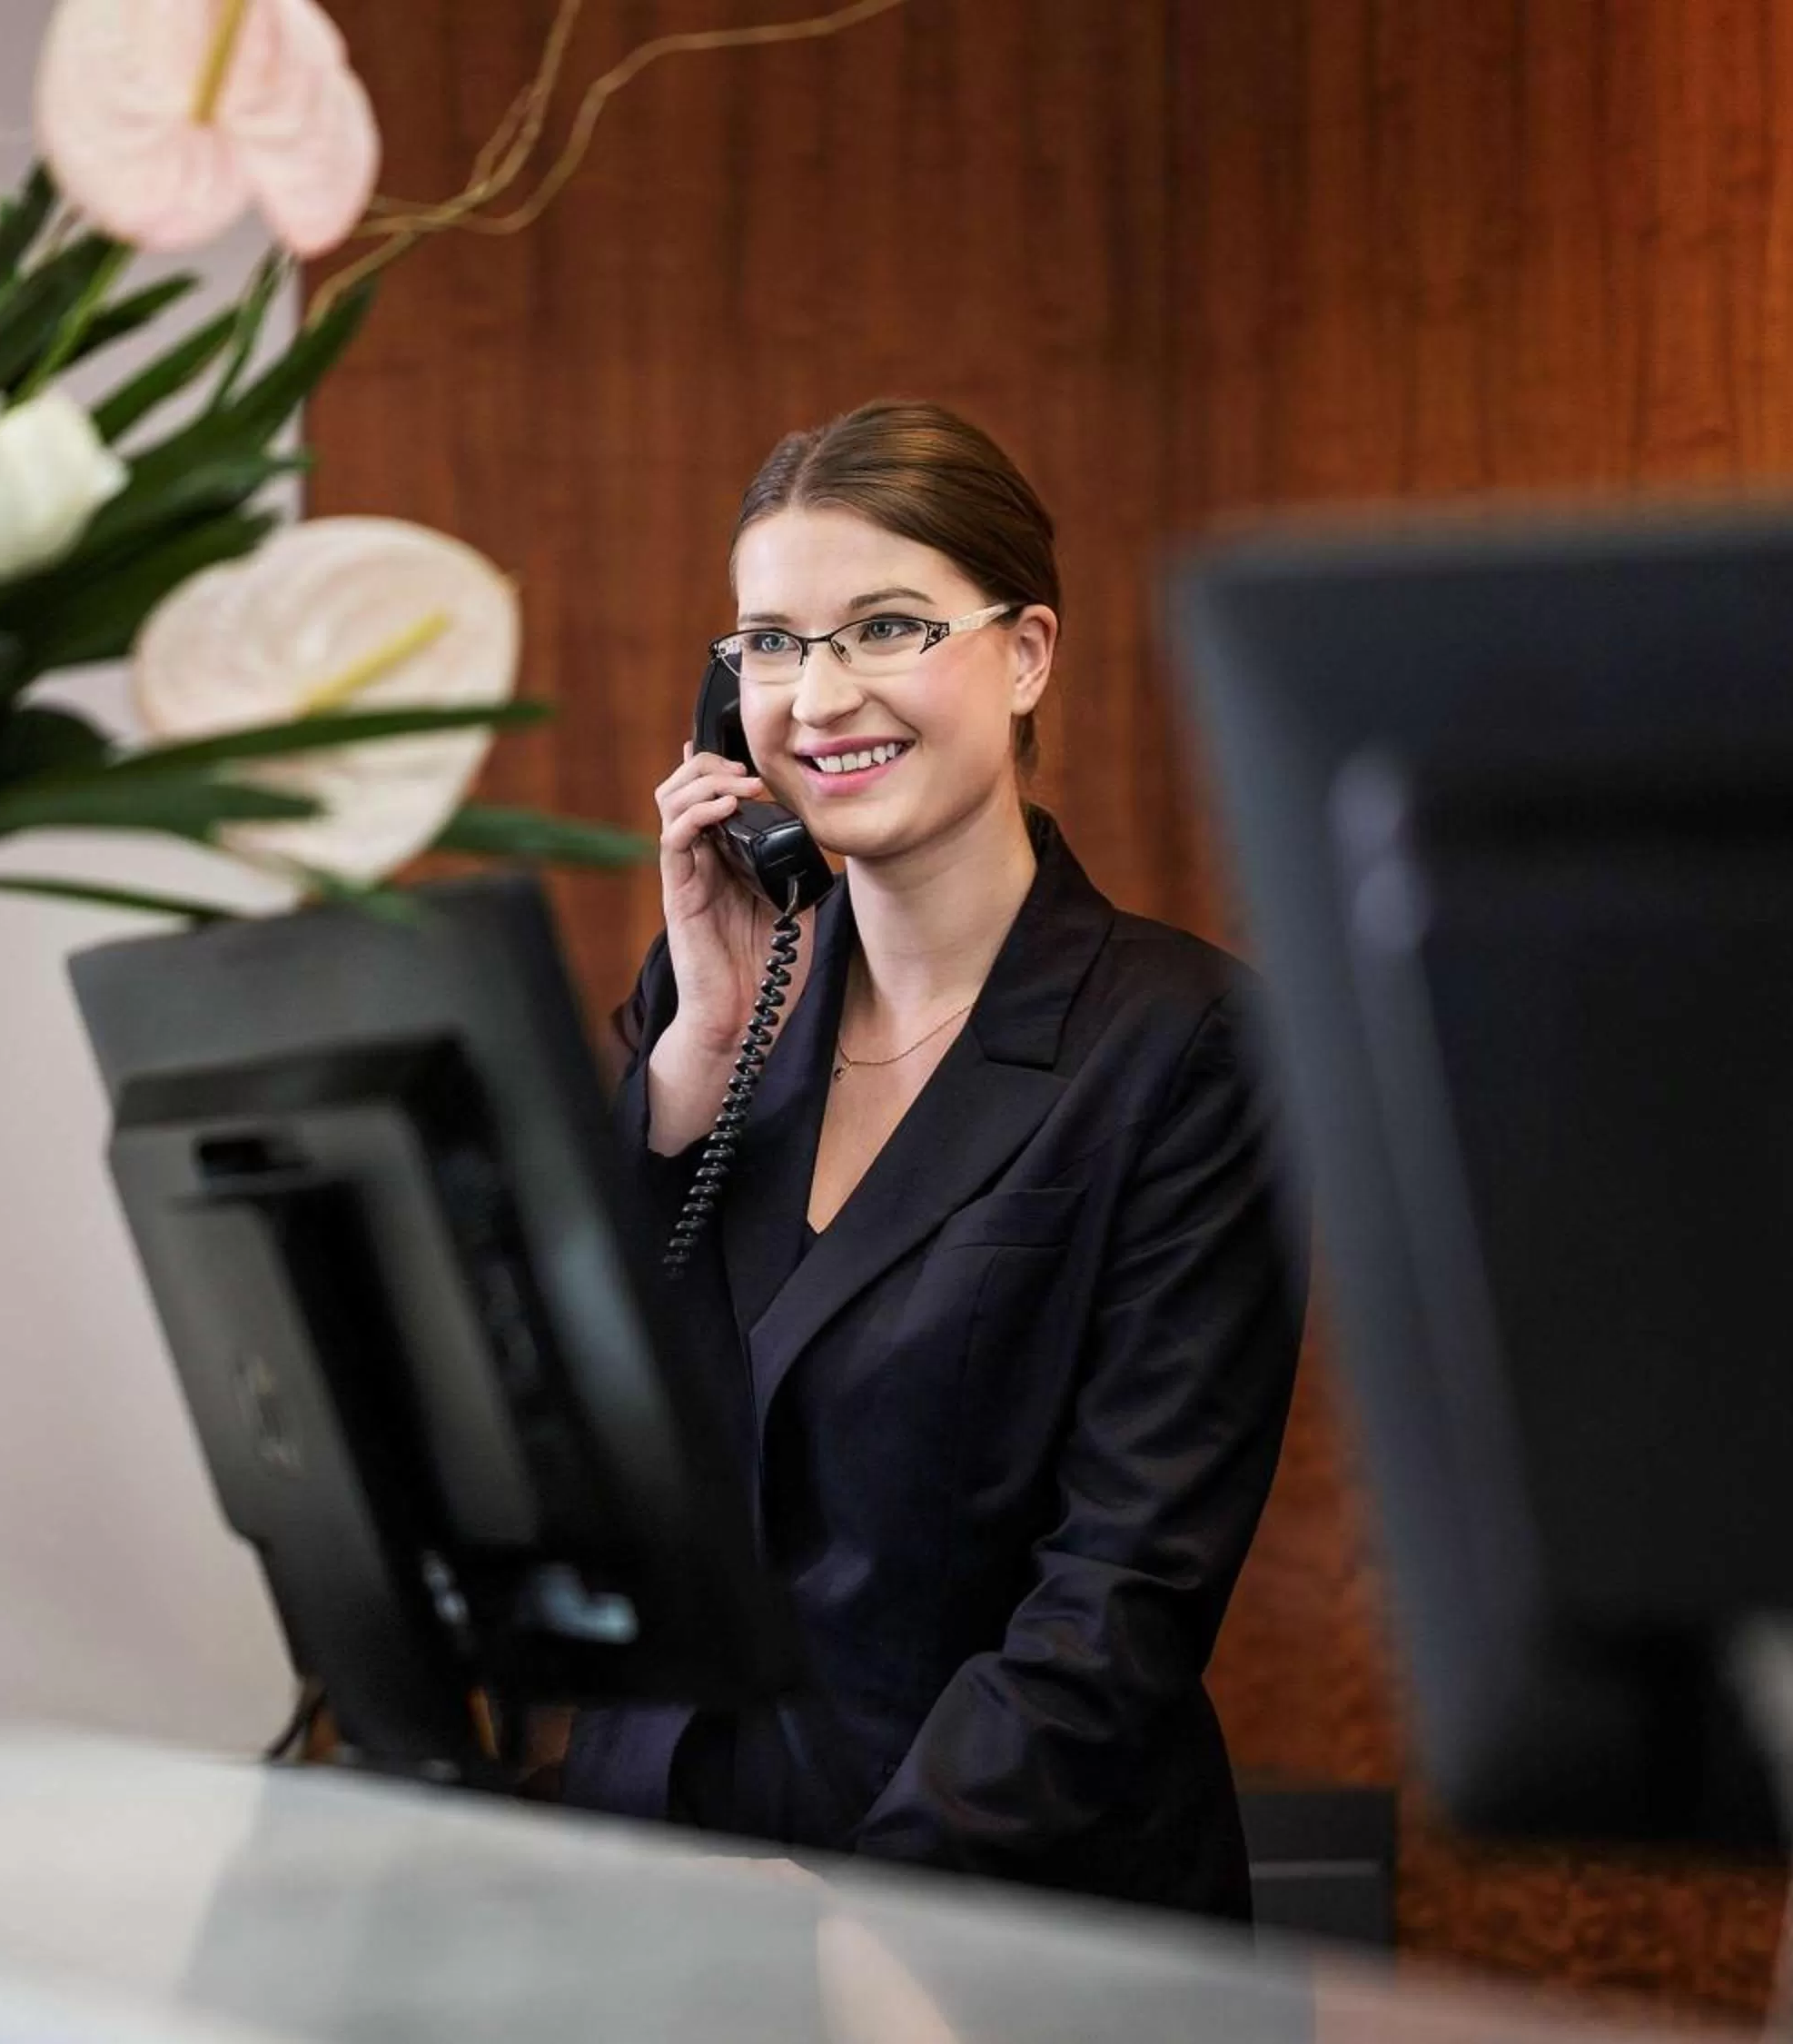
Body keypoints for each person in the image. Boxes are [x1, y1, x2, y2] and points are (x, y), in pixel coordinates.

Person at [560, 401, 1306, 1924]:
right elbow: (577, 1443)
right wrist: (695, 1055)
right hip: (654, 1899)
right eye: (768, 643)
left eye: (884, 626)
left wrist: (869, 1907)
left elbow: (1122, 1593)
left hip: (995, 1918)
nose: (816, 696)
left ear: (1026, 652)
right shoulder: (698, 1012)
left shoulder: (1186, 1049)